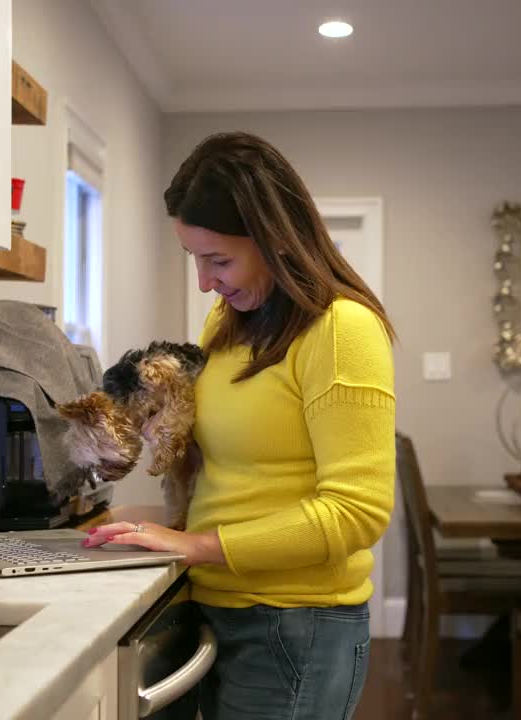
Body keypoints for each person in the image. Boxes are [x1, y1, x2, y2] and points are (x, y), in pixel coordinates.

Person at [85, 131, 396, 720]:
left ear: (277, 241)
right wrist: (147, 522)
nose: (205, 282)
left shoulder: (340, 329)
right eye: (196, 259)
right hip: (221, 606)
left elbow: (358, 512)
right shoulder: (228, 323)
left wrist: (195, 544)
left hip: (295, 624)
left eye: (219, 260)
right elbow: (232, 472)